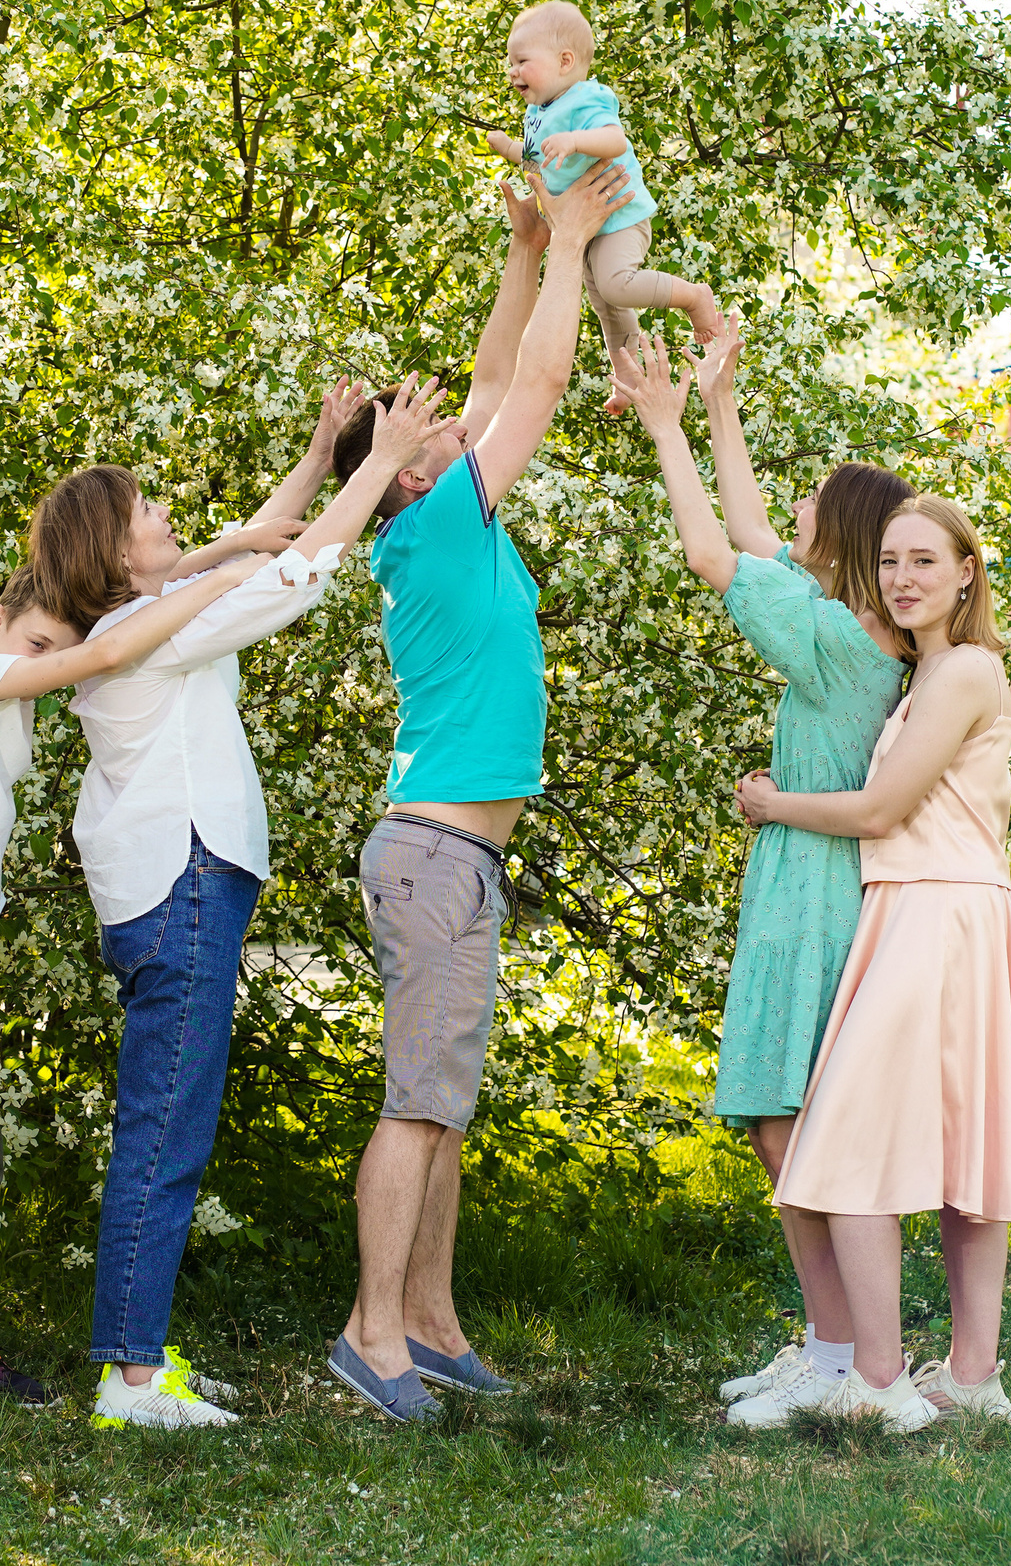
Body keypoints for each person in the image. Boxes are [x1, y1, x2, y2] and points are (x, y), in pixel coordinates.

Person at [27, 380, 451, 1430]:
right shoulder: (148, 631)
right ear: (118, 555)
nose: (168, 518)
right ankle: (130, 1379)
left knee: (168, 1120)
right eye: (147, 514)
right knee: (163, 1128)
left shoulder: (142, 617)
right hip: (180, 886)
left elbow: (256, 551)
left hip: (177, 887)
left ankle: (143, 1357)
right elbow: (292, 577)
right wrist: (367, 466)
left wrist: (320, 454)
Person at [324, 160, 636, 1423]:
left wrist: (522, 246)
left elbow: (500, 374)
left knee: (441, 1102)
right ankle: (371, 1332)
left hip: (456, 857)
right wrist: (569, 242)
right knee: (417, 1103)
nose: (455, 418)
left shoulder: (448, 516)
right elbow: (541, 382)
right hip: (437, 853)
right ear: (404, 474)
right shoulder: (438, 519)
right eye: (430, 427)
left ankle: (433, 1320)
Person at [0, 553, 272, 1421]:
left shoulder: (5, 679)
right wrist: (234, 572)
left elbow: (130, 594)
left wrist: (247, 537)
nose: (46, 663)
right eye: (37, 642)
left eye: (57, 647)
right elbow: (103, 653)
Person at [608, 329, 915, 1426]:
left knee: (794, 1120)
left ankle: (839, 1354)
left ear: (841, 534)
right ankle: (828, 1344)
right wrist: (715, 403)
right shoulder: (849, 623)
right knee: (786, 1117)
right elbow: (745, 535)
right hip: (813, 878)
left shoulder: (836, 637)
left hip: (814, 886)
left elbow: (710, 552)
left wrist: (661, 426)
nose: (788, 515)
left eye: (810, 507)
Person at [742, 495, 1011, 1431]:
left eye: (925, 560)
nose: (903, 578)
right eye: (888, 562)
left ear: (968, 572)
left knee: (842, 1143)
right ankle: (969, 1375)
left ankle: (877, 1383)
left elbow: (881, 810)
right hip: (929, 912)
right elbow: (769, 553)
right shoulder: (926, 674)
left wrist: (773, 803)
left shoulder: (964, 669)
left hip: (935, 914)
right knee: (962, 1152)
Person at [482, 0, 720, 365]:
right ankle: (627, 373)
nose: (513, 72)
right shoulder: (538, 112)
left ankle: (693, 296)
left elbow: (615, 141)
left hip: (619, 217)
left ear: (565, 61)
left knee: (615, 286)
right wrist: (510, 148)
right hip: (587, 225)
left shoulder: (584, 99)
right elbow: (540, 162)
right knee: (605, 302)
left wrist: (575, 140)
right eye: (510, 63)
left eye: (522, 61)